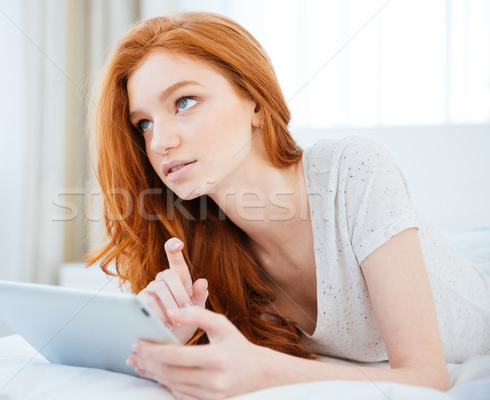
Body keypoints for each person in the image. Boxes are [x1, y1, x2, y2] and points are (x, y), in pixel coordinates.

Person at [85, 11, 490, 399]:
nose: (159, 143)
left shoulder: (354, 171)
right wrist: (173, 340)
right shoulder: (201, 249)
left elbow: (429, 380)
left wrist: (265, 371)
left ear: (256, 104)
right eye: (144, 123)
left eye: (184, 102)